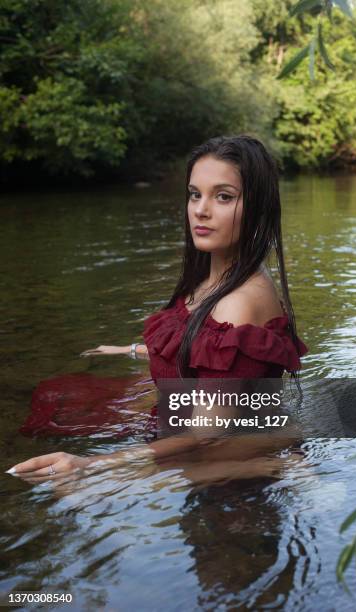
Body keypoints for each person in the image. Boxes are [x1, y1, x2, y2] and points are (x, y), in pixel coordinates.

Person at [6, 134, 308, 483]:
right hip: (191, 431)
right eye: (195, 194)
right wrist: (133, 349)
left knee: (65, 481)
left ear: (257, 207)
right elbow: (207, 351)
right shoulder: (217, 276)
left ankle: (279, 466)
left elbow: (204, 434)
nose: (200, 209)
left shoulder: (239, 300)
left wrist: (94, 466)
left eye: (223, 196)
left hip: (221, 473)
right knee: (59, 397)